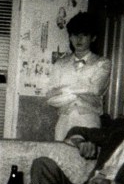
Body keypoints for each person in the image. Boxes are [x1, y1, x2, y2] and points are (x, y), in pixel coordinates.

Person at [46, 11, 111, 140]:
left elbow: (95, 89)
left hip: (89, 121)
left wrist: (63, 90)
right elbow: (49, 97)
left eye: (84, 35)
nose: (79, 39)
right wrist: (81, 90)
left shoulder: (102, 63)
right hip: (64, 121)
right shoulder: (60, 64)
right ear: (70, 37)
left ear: (93, 38)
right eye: (75, 35)